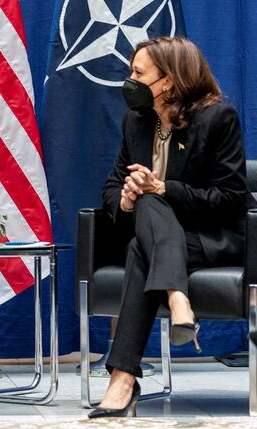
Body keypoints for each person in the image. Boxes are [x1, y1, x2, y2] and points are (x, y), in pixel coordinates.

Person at [90, 36, 257, 418]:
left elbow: (231, 197)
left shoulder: (217, 119)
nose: (129, 80)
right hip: (158, 235)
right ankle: (176, 298)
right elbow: (112, 187)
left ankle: (122, 379)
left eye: (138, 73)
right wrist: (128, 197)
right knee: (145, 204)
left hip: (213, 237)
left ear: (167, 81)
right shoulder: (137, 121)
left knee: (143, 234)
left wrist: (163, 188)